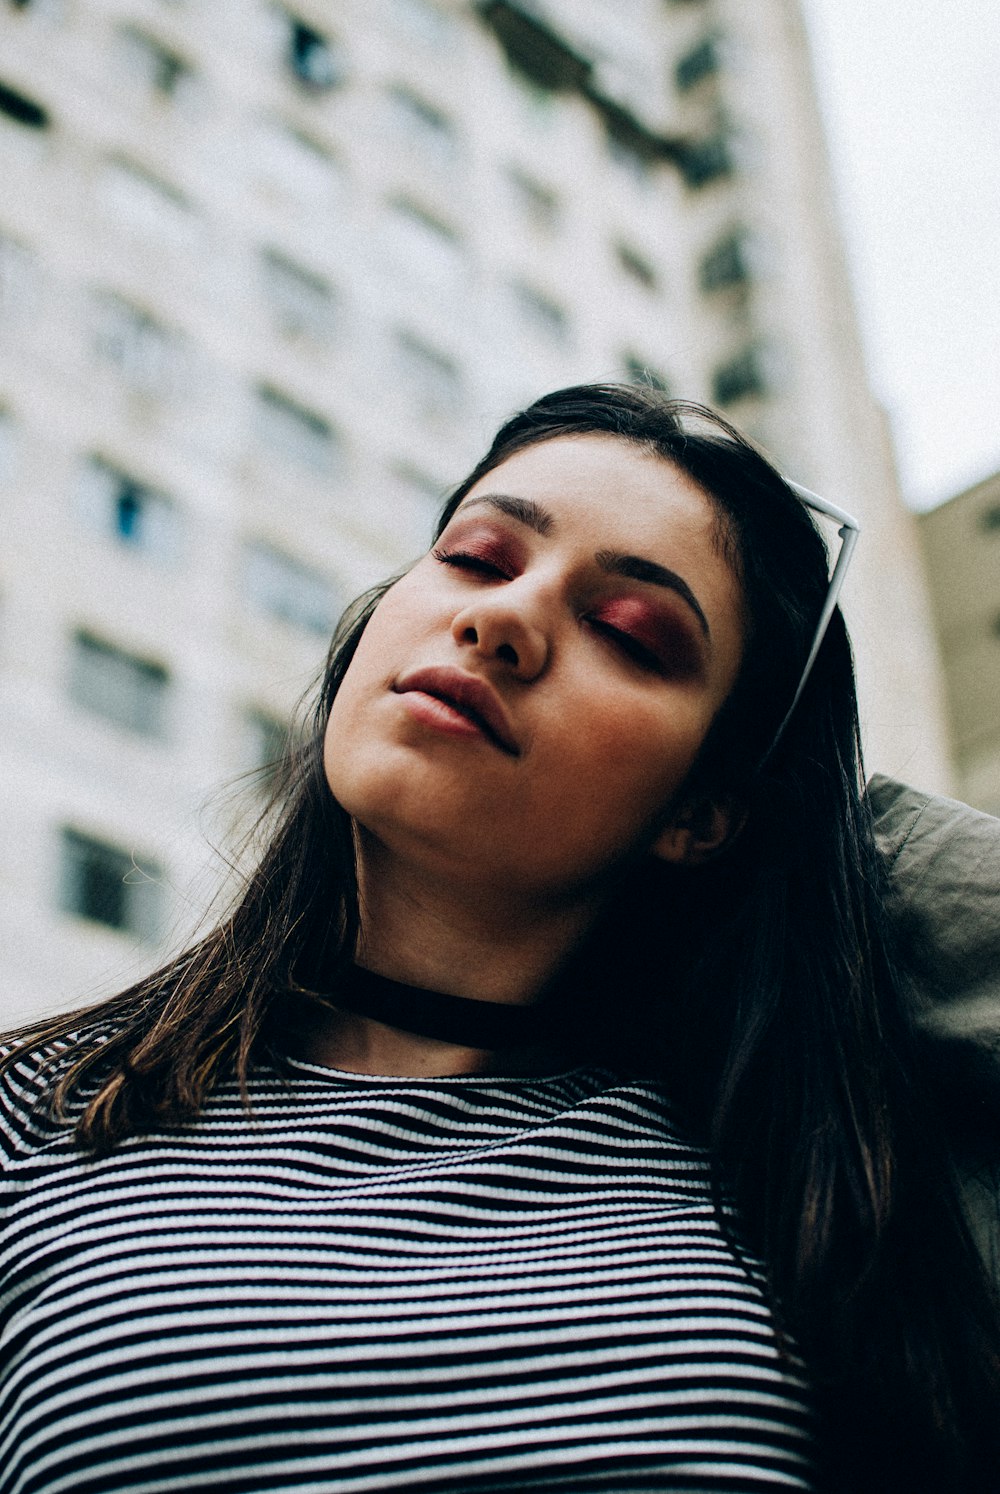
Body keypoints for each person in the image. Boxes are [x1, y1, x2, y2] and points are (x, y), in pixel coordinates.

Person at [1, 384, 998, 1494]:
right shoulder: (40, 1113)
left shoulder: (822, 1179)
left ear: (701, 812)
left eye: (628, 631)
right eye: (477, 556)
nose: (504, 619)